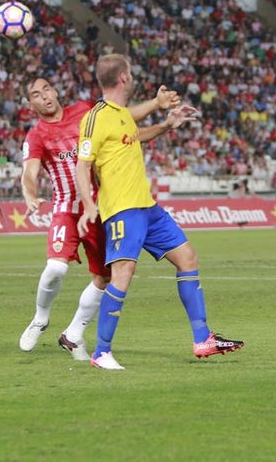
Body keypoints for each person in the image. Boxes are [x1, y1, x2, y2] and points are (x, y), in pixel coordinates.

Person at [75, 53, 243, 371]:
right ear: (123, 77)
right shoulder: (95, 117)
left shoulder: (122, 115)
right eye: (131, 72)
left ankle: (202, 338)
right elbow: (82, 165)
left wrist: (167, 124)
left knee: (188, 258)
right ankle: (102, 352)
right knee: (122, 274)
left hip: (147, 207)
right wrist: (88, 205)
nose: (134, 77)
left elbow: (135, 137)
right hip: (123, 209)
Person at [18, 77, 180, 361]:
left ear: (55, 91)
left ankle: (73, 333)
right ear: (31, 105)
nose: (43, 96)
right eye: (35, 94)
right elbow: (29, 174)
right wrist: (30, 197)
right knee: (56, 268)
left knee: (104, 277)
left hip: (98, 208)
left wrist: (156, 104)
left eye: (46, 89)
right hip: (66, 209)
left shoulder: (84, 111)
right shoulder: (37, 136)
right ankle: (40, 319)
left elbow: (123, 120)